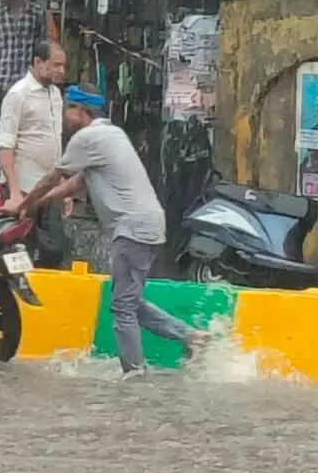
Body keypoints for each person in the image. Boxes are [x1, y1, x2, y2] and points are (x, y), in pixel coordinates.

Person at [12, 87, 207, 377]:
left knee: (122, 309)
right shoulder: (112, 134)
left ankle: (134, 376)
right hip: (147, 225)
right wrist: (42, 202)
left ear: (80, 111)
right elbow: (80, 181)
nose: (65, 118)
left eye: (68, 110)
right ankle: (192, 337)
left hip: (132, 229)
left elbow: (56, 176)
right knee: (128, 300)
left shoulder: (86, 138)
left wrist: (24, 204)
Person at [0, 41, 68, 267]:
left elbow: (55, 141)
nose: (61, 71)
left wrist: (64, 187)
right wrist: (15, 192)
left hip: (50, 187)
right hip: (25, 187)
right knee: (21, 252)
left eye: (63, 66)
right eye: (56, 65)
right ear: (38, 62)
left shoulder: (56, 94)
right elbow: (5, 144)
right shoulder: (18, 94)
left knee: (55, 250)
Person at [0, 0, 45, 150]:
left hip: (28, 85)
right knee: (2, 132)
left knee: (25, 131)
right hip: (2, 84)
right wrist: (2, 64)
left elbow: (40, 45)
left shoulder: (36, 13)